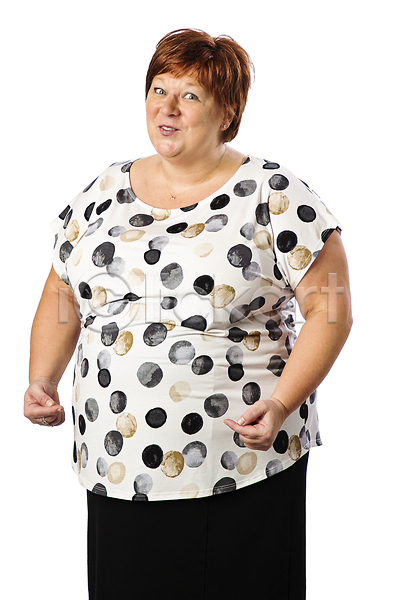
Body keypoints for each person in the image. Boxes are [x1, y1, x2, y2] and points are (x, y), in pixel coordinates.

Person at [24, 28, 352, 600]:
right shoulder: (102, 190)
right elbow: (61, 292)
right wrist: (41, 379)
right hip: (118, 459)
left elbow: (331, 309)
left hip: (241, 459)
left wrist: (281, 405)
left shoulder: (274, 193)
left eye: (190, 95)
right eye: (159, 89)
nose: (167, 108)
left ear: (228, 114)